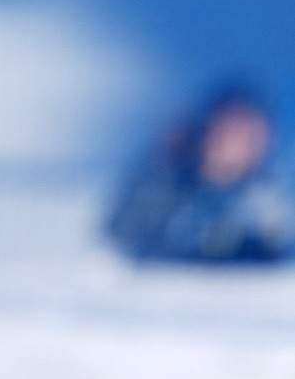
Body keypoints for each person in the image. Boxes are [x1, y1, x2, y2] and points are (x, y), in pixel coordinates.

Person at [107, 85, 293, 268]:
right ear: (208, 131)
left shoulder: (266, 195)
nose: (242, 144)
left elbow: (279, 249)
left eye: (253, 136)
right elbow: (124, 241)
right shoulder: (166, 185)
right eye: (233, 132)